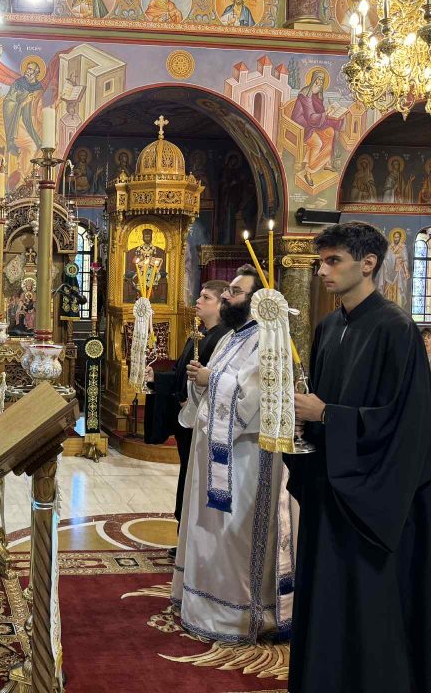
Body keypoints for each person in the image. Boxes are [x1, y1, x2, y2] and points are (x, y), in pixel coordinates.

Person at [289, 221, 431, 693]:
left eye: (333, 261)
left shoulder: (396, 329)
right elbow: (317, 402)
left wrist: (327, 414)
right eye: (321, 262)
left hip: (375, 495)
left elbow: (407, 424)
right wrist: (299, 422)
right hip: (330, 483)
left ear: (368, 263)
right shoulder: (329, 326)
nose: (322, 271)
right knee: (326, 592)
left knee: (367, 599)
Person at [172, 265, 295, 643]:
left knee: (233, 535)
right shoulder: (231, 337)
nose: (227, 296)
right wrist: (201, 380)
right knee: (209, 529)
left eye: (235, 292)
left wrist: (211, 379)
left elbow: (254, 397)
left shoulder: (267, 340)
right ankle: (202, 603)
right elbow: (217, 383)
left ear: (256, 301)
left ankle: (237, 615)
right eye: (227, 291)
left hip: (245, 458)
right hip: (214, 450)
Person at [168, 279, 229, 549]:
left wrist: (193, 399)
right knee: (187, 477)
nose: (198, 301)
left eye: (205, 297)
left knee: (197, 480)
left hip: (203, 423)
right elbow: (182, 373)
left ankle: (193, 543)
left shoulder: (224, 339)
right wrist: (157, 379)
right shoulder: (200, 334)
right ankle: (183, 540)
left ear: (221, 304)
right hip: (187, 419)